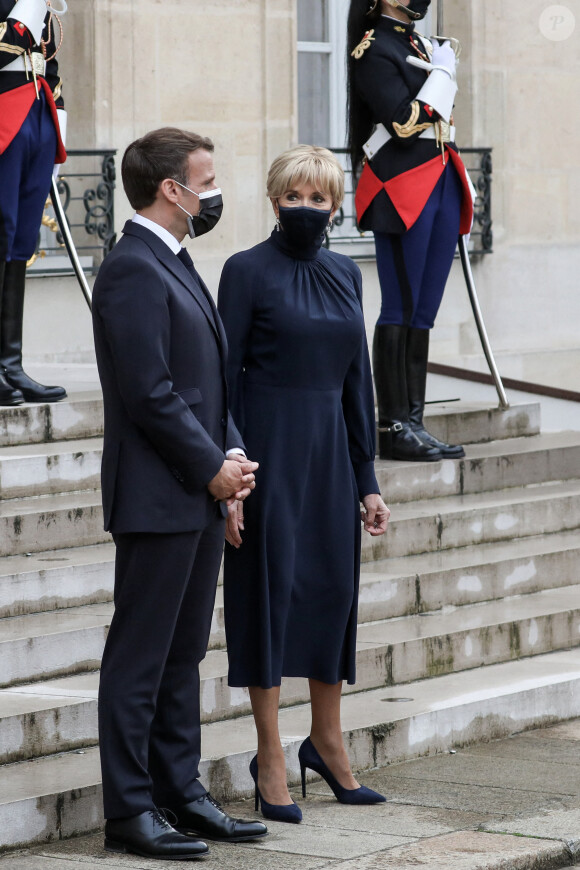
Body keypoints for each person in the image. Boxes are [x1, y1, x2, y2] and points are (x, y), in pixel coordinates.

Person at [92, 127, 267, 860]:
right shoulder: (132, 267)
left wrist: (228, 458)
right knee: (141, 658)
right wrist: (210, 468)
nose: (214, 189)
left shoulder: (178, 261)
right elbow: (150, 393)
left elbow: (208, 381)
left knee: (182, 655)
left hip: (195, 490)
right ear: (172, 188)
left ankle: (181, 793)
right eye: (207, 177)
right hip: (158, 494)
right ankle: (130, 810)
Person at [217, 145, 391, 824]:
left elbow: (358, 383)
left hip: (329, 461)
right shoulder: (244, 271)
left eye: (319, 199)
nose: (307, 209)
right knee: (266, 597)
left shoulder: (348, 273)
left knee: (331, 594)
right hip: (266, 456)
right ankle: (267, 757)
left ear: (336, 205)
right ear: (273, 199)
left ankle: (326, 741)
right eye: (295, 196)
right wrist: (231, 475)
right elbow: (220, 380)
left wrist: (368, 479)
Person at [347, 0, 474, 461]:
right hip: (400, 185)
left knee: (424, 308)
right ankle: (393, 425)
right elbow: (402, 123)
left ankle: (416, 422)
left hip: (440, 178)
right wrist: (441, 77)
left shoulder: (420, 43)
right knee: (400, 304)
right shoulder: (373, 48)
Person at [0, 0, 68, 405]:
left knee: (21, 240)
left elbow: (51, 70)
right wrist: (26, 10)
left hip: (36, 117)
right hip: (4, 117)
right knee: (0, 231)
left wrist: (59, 125)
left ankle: (10, 364)